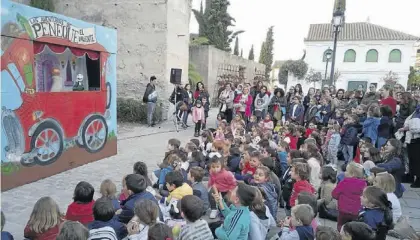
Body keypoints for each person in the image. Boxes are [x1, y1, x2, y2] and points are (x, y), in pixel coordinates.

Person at [332, 162, 367, 231]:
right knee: (352, 228)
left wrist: (338, 197)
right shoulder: (364, 184)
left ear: (352, 174)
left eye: (347, 171)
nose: (345, 172)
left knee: (341, 225)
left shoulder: (344, 182)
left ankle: (340, 235)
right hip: (356, 211)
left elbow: (334, 194)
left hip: (343, 210)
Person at [402, 104, 420, 188]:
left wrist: (409, 128)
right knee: (411, 159)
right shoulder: (415, 111)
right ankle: (411, 176)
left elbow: (416, 127)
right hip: (411, 139)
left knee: (417, 160)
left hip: (417, 138)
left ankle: (419, 179)